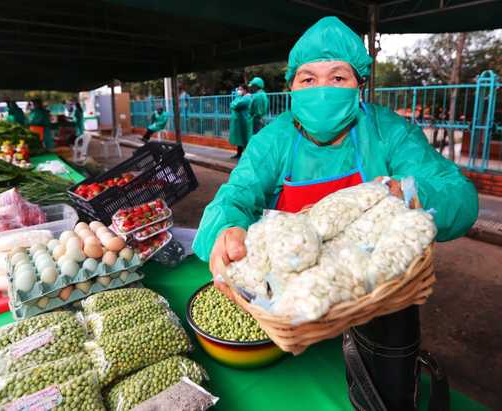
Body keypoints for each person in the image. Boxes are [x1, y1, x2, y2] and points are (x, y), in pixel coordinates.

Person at [192, 16, 477, 411]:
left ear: (359, 84)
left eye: (338, 77)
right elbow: (234, 196)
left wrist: (410, 192)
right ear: (291, 86)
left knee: (386, 386)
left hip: (374, 293)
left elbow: (459, 196)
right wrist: (226, 229)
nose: (322, 89)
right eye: (308, 79)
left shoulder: (387, 131)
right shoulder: (273, 140)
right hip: (292, 293)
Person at [228, 85, 252, 159]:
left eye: (240, 89)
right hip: (240, 121)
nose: (238, 91)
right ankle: (239, 154)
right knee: (240, 138)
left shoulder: (247, 98)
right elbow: (232, 104)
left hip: (244, 121)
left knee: (245, 138)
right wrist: (233, 104)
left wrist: (233, 104)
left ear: (245, 90)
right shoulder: (240, 97)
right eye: (238, 89)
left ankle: (246, 155)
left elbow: (236, 105)